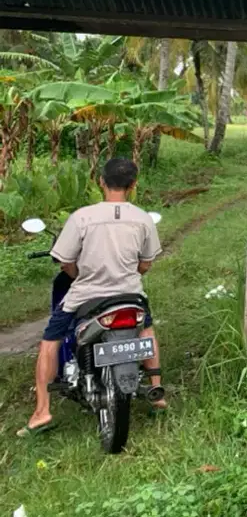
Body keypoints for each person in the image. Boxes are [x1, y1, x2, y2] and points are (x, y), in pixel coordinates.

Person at [18, 158, 165, 437]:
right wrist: (125, 273)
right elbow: (146, 264)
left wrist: (78, 275)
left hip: (86, 295)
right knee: (146, 329)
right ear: (133, 185)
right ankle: (157, 393)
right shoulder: (143, 218)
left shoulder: (82, 217)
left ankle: (42, 412)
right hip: (130, 294)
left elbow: (65, 262)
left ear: (101, 181)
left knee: (50, 341)